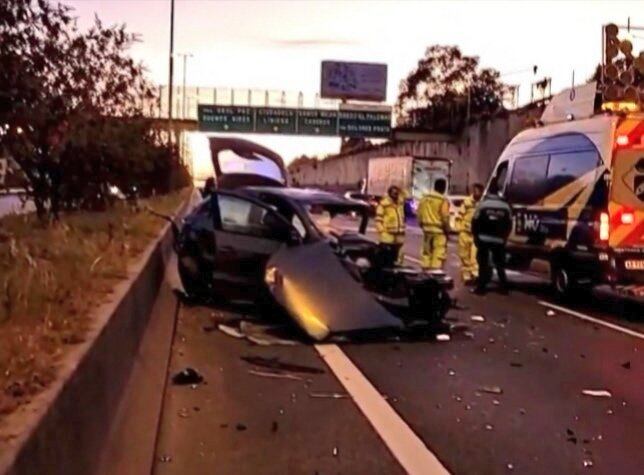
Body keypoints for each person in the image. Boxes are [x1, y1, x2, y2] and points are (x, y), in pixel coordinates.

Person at [471, 182, 512, 295]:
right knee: (500, 265)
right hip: (499, 240)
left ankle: (481, 288)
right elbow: (509, 223)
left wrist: (476, 236)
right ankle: (504, 288)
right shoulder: (505, 206)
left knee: (483, 264)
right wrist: (504, 237)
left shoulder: (483, 205)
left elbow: (475, 221)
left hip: (483, 238)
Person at [417, 178, 450, 270]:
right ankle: (435, 272)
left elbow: (419, 213)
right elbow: (445, 217)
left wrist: (421, 225)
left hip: (426, 230)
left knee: (426, 252)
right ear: (444, 188)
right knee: (438, 252)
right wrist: (448, 229)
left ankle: (425, 268)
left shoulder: (425, 198)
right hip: (438, 231)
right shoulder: (442, 200)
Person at [456, 183, 484, 285]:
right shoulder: (467, 202)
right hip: (464, 233)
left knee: (475, 257)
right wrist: (459, 228)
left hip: (476, 234)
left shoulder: (482, 204)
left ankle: (475, 275)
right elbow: (459, 216)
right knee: (464, 256)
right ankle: (467, 276)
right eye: (475, 190)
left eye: (478, 191)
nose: (476, 192)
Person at [375, 185, 406, 266]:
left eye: (397, 193)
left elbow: (406, 194)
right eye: (394, 193)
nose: (396, 194)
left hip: (399, 233)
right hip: (388, 234)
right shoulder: (384, 204)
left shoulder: (400, 203)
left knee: (400, 253)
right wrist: (381, 231)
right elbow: (378, 219)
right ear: (390, 194)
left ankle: (398, 267)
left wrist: (400, 189)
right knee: (387, 254)